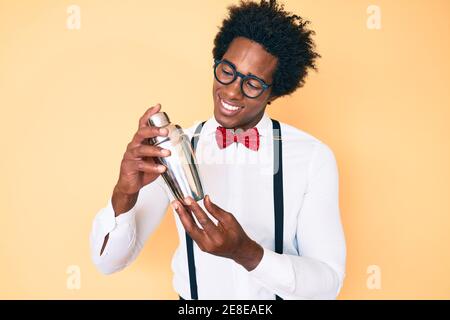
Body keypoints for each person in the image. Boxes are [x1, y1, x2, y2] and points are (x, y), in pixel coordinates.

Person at [90, 0, 346, 300]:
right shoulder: (173, 147)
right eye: (227, 71)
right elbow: (107, 263)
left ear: (274, 90)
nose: (231, 91)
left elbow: (328, 284)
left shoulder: (313, 157)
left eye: (252, 83)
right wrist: (124, 193)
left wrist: (247, 253)